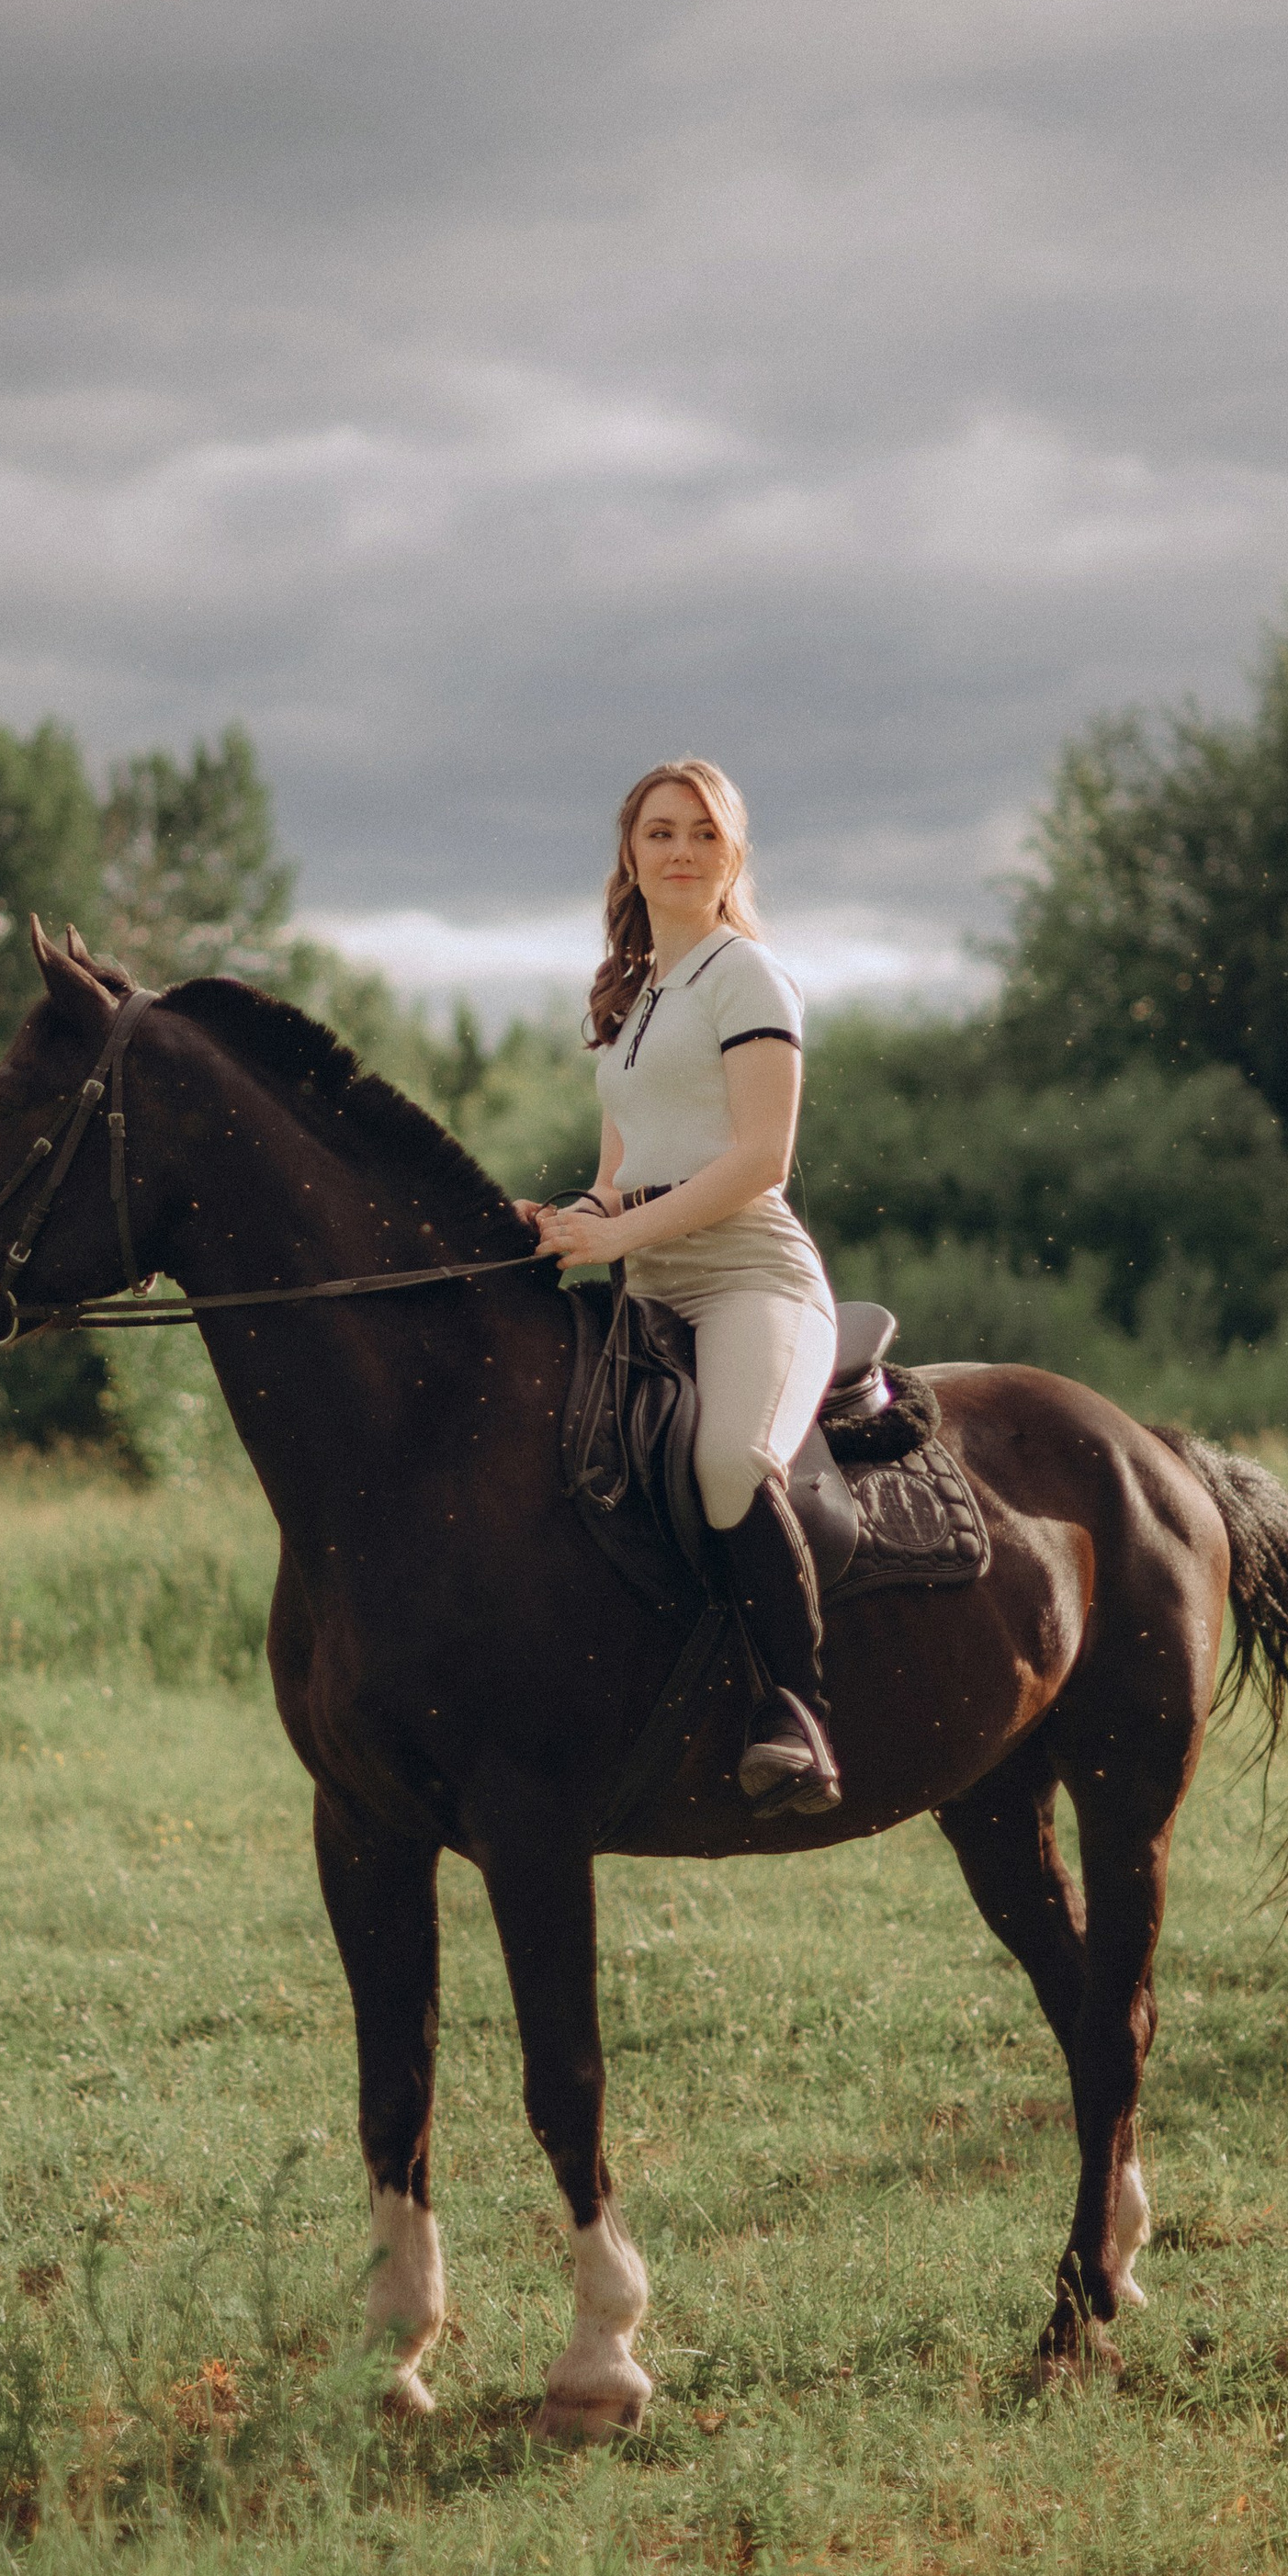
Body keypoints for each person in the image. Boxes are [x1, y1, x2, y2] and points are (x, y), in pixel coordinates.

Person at [519, 759, 843, 1815]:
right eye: (660, 832)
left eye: (704, 833)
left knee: (723, 1462)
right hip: (648, 1271)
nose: (680, 850)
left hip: (748, 1270)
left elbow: (759, 1159)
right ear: (631, 852)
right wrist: (569, 1219)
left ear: (732, 854)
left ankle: (797, 1712)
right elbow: (621, 1177)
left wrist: (620, 1236)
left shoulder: (747, 975)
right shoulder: (631, 994)